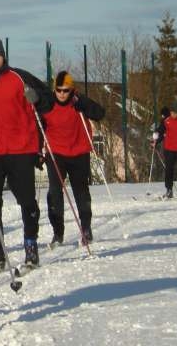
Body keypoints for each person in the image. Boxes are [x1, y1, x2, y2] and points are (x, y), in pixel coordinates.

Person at [0, 37, 52, 273]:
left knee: (27, 200)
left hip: (21, 149)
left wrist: (36, 98)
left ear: (3, 56)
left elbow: (47, 101)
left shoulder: (19, 78)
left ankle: (31, 247)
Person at [41, 71, 105, 246]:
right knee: (54, 192)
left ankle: (86, 228)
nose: (62, 94)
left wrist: (83, 103)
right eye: (59, 90)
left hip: (79, 151)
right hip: (55, 153)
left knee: (81, 191)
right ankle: (58, 232)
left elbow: (99, 113)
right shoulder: (48, 103)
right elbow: (37, 124)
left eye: (66, 90)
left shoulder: (78, 101)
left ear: (72, 90)